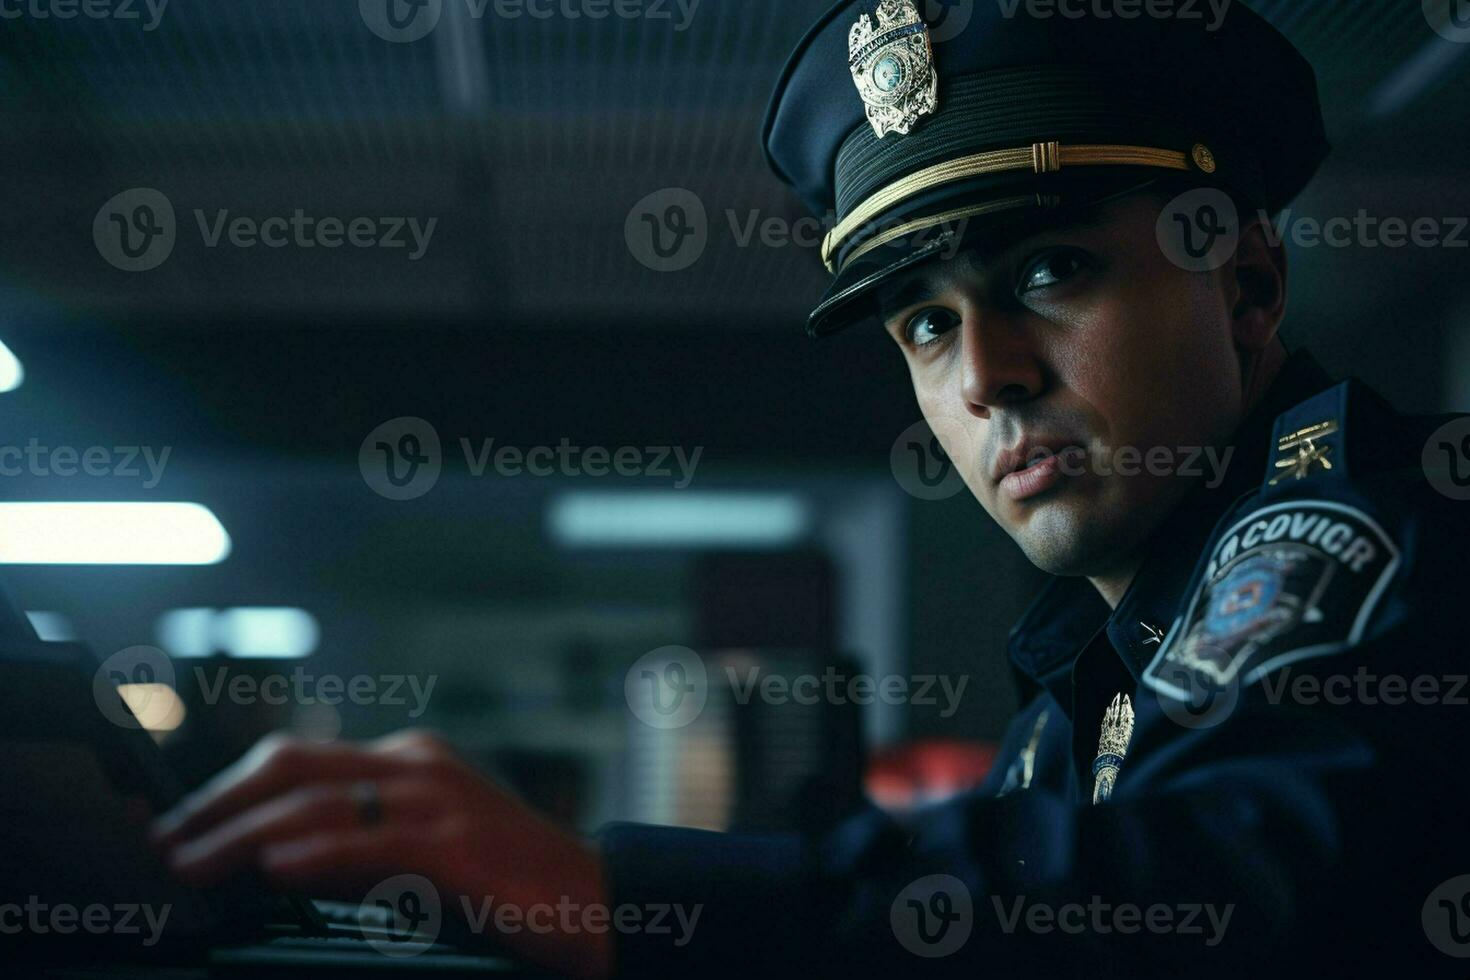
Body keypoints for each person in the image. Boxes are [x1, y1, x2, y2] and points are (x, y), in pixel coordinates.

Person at [149, 1, 1470, 976]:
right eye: (925, 326)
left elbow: (1234, 883)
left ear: (1247, 284)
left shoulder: (1364, 526)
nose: (988, 378)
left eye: (1051, 272)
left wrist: (608, 889)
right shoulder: (1100, 665)